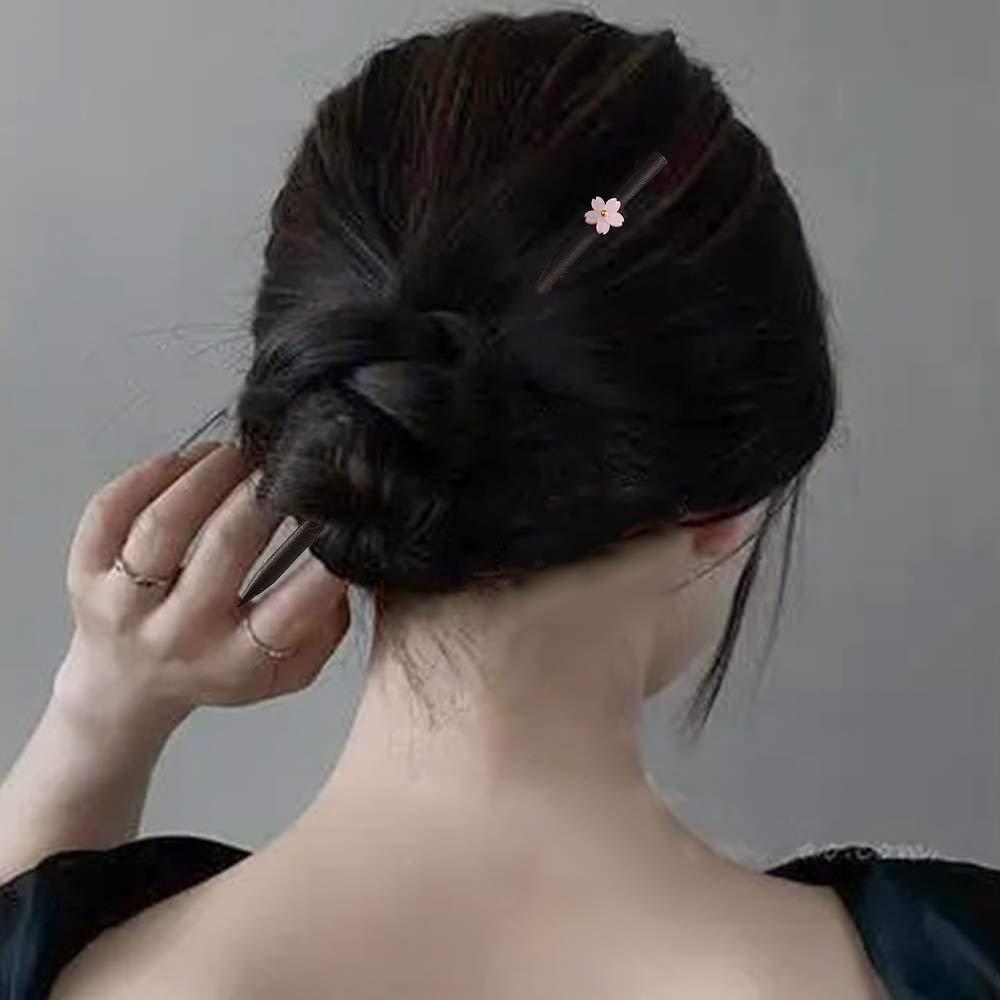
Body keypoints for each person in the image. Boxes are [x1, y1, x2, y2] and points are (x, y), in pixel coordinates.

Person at [1, 9, 997, 1000]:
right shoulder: (946, 960)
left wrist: (101, 713)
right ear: (728, 498)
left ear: (329, 431)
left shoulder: (67, 967)